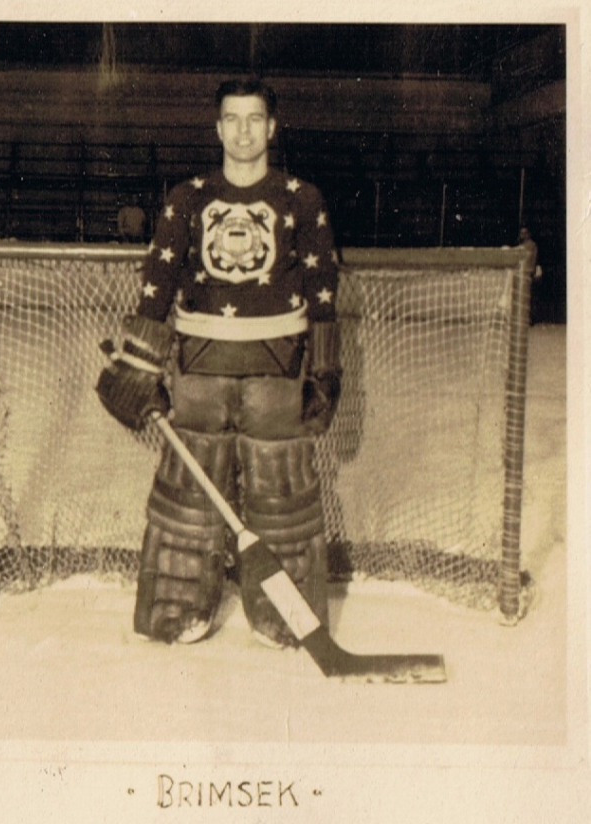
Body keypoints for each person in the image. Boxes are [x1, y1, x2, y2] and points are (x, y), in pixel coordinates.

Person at [97, 78, 341, 649]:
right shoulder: (188, 198)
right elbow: (156, 287)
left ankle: (283, 617)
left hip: (278, 374)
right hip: (200, 373)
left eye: (254, 119)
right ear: (217, 127)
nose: (243, 131)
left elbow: (322, 287)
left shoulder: (302, 198)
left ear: (272, 127)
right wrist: (140, 367)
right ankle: (178, 610)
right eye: (232, 119)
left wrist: (326, 374)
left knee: (281, 499)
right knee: (190, 496)